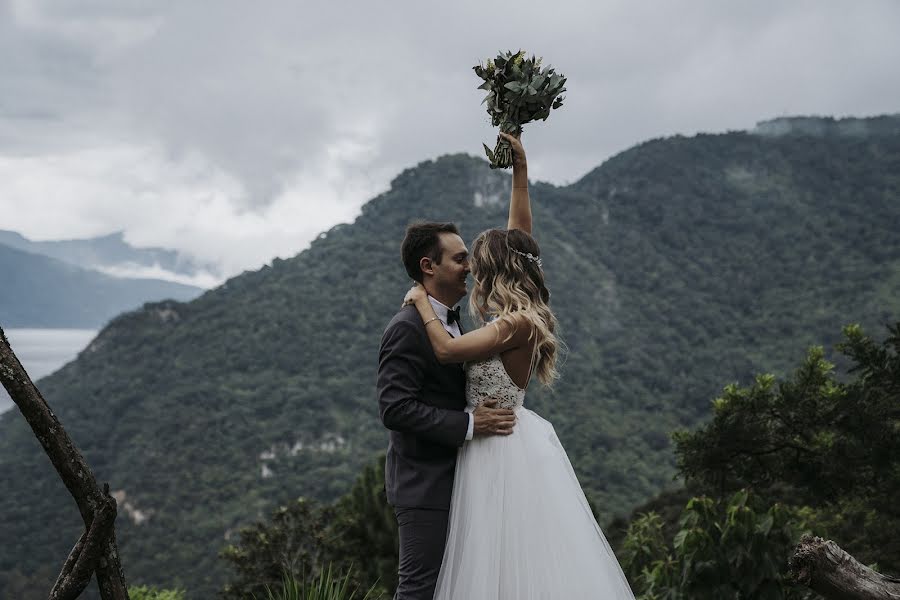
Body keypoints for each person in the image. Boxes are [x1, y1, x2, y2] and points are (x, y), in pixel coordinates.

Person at [402, 132, 636, 599]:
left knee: (503, 559)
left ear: (498, 274)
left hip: (498, 449)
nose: (472, 270)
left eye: (479, 264)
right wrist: (520, 172)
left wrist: (419, 302)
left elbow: (447, 353)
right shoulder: (516, 316)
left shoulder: (512, 325)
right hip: (500, 438)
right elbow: (521, 239)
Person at [377, 218, 518, 599]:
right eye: (459, 259)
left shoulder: (453, 324)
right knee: (420, 590)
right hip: (425, 486)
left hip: (461, 478)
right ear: (429, 266)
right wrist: (471, 422)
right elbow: (395, 409)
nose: (469, 267)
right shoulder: (406, 327)